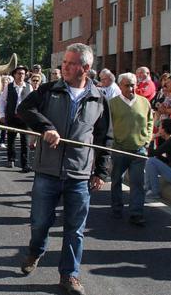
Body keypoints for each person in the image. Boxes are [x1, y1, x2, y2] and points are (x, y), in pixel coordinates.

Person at [18, 43, 111, 295]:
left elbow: (104, 138)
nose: (65, 67)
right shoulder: (49, 90)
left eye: (71, 63)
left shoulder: (99, 98)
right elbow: (23, 109)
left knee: (75, 228)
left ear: (86, 68)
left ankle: (69, 275)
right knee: (39, 223)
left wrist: (101, 172)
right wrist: (45, 126)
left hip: (79, 176)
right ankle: (36, 251)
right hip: (47, 171)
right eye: (64, 62)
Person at [108, 73, 153, 226]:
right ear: (120, 86)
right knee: (116, 180)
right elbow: (107, 126)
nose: (131, 88)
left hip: (139, 149)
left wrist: (147, 139)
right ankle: (117, 208)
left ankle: (136, 213)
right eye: (127, 85)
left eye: (133, 85)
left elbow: (150, 120)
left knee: (137, 183)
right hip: (119, 149)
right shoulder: (112, 104)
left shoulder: (144, 102)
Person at [0, 65, 32, 172]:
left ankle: (25, 164)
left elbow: (32, 103)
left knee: (25, 142)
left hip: (24, 118)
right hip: (12, 117)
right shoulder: (9, 87)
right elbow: (2, 101)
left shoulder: (29, 87)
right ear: (14, 75)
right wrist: (2, 115)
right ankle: (11, 158)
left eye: (23, 73)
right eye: (19, 73)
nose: (21, 75)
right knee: (11, 140)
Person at [144, 119, 171, 199]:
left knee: (151, 161)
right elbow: (170, 161)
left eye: (160, 127)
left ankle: (154, 192)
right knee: (152, 161)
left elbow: (151, 154)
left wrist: (152, 139)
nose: (158, 129)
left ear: (164, 130)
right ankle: (147, 188)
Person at [0, 75, 12, 148]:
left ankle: (2, 141)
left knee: (4, 128)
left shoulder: (9, 91)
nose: (5, 84)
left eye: (6, 82)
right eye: (4, 82)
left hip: (6, 112)